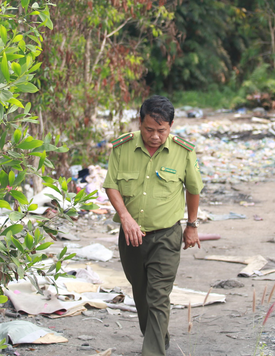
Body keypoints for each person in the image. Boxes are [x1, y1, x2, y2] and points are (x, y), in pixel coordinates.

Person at [103, 95, 204, 356]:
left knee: (158, 296)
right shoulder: (122, 148)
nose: (155, 136)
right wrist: (125, 217)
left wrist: (191, 225)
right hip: (131, 237)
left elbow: (193, 190)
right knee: (141, 295)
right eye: (149, 129)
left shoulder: (183, 152)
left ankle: (153, 351)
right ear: (140, 123)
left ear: (171, 126)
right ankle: (159, 336)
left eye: (162, 130)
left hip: (166, 237)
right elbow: (111, 184)